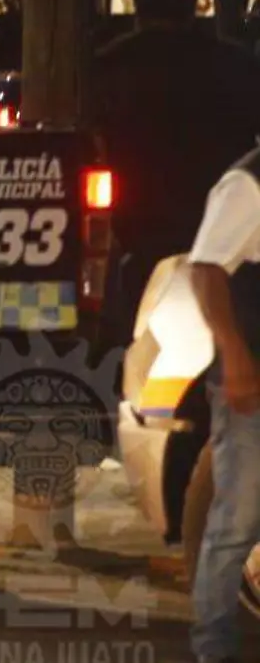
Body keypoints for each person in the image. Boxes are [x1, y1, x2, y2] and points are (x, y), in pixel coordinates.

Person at [93, 0, 260, 350]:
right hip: (221, 252)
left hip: (133, 244)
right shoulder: (236, 66)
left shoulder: (104, 69)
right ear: (195, 0)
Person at [179, 151, 260, 663]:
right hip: (253, 379)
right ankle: (214, 650)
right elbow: (205, 269)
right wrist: (234, 355)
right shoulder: (247, 184)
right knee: (235, 524)